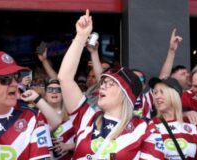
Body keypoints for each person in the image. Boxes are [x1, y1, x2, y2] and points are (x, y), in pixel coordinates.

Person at [58, 10, 163, 159]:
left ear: (125, 94)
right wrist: (81, 37)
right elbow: (65, 78)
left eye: (111, 84)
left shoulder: (145, 128)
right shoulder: (87, 117)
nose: (103, 86)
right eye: (103, 82)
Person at [149, 77, 197, 159]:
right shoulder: (150, 126)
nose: (157, 96)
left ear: (174, 95)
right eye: (155, 93)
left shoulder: (191, 124)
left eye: (162, 92)